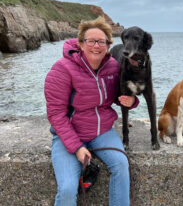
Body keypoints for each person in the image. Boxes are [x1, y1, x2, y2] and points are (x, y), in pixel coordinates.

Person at [44, 16, 138, 206]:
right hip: (69, 134)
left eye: (102, 42)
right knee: (68, 188)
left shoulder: (113, 66)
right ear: (80, 43)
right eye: (91, 41)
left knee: (121, 165)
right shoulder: (62, 69)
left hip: (102, 131)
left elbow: (120, 96)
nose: (96, 46)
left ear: (108, 45)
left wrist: (131, 101)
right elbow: (56, 115)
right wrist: (77, 147)